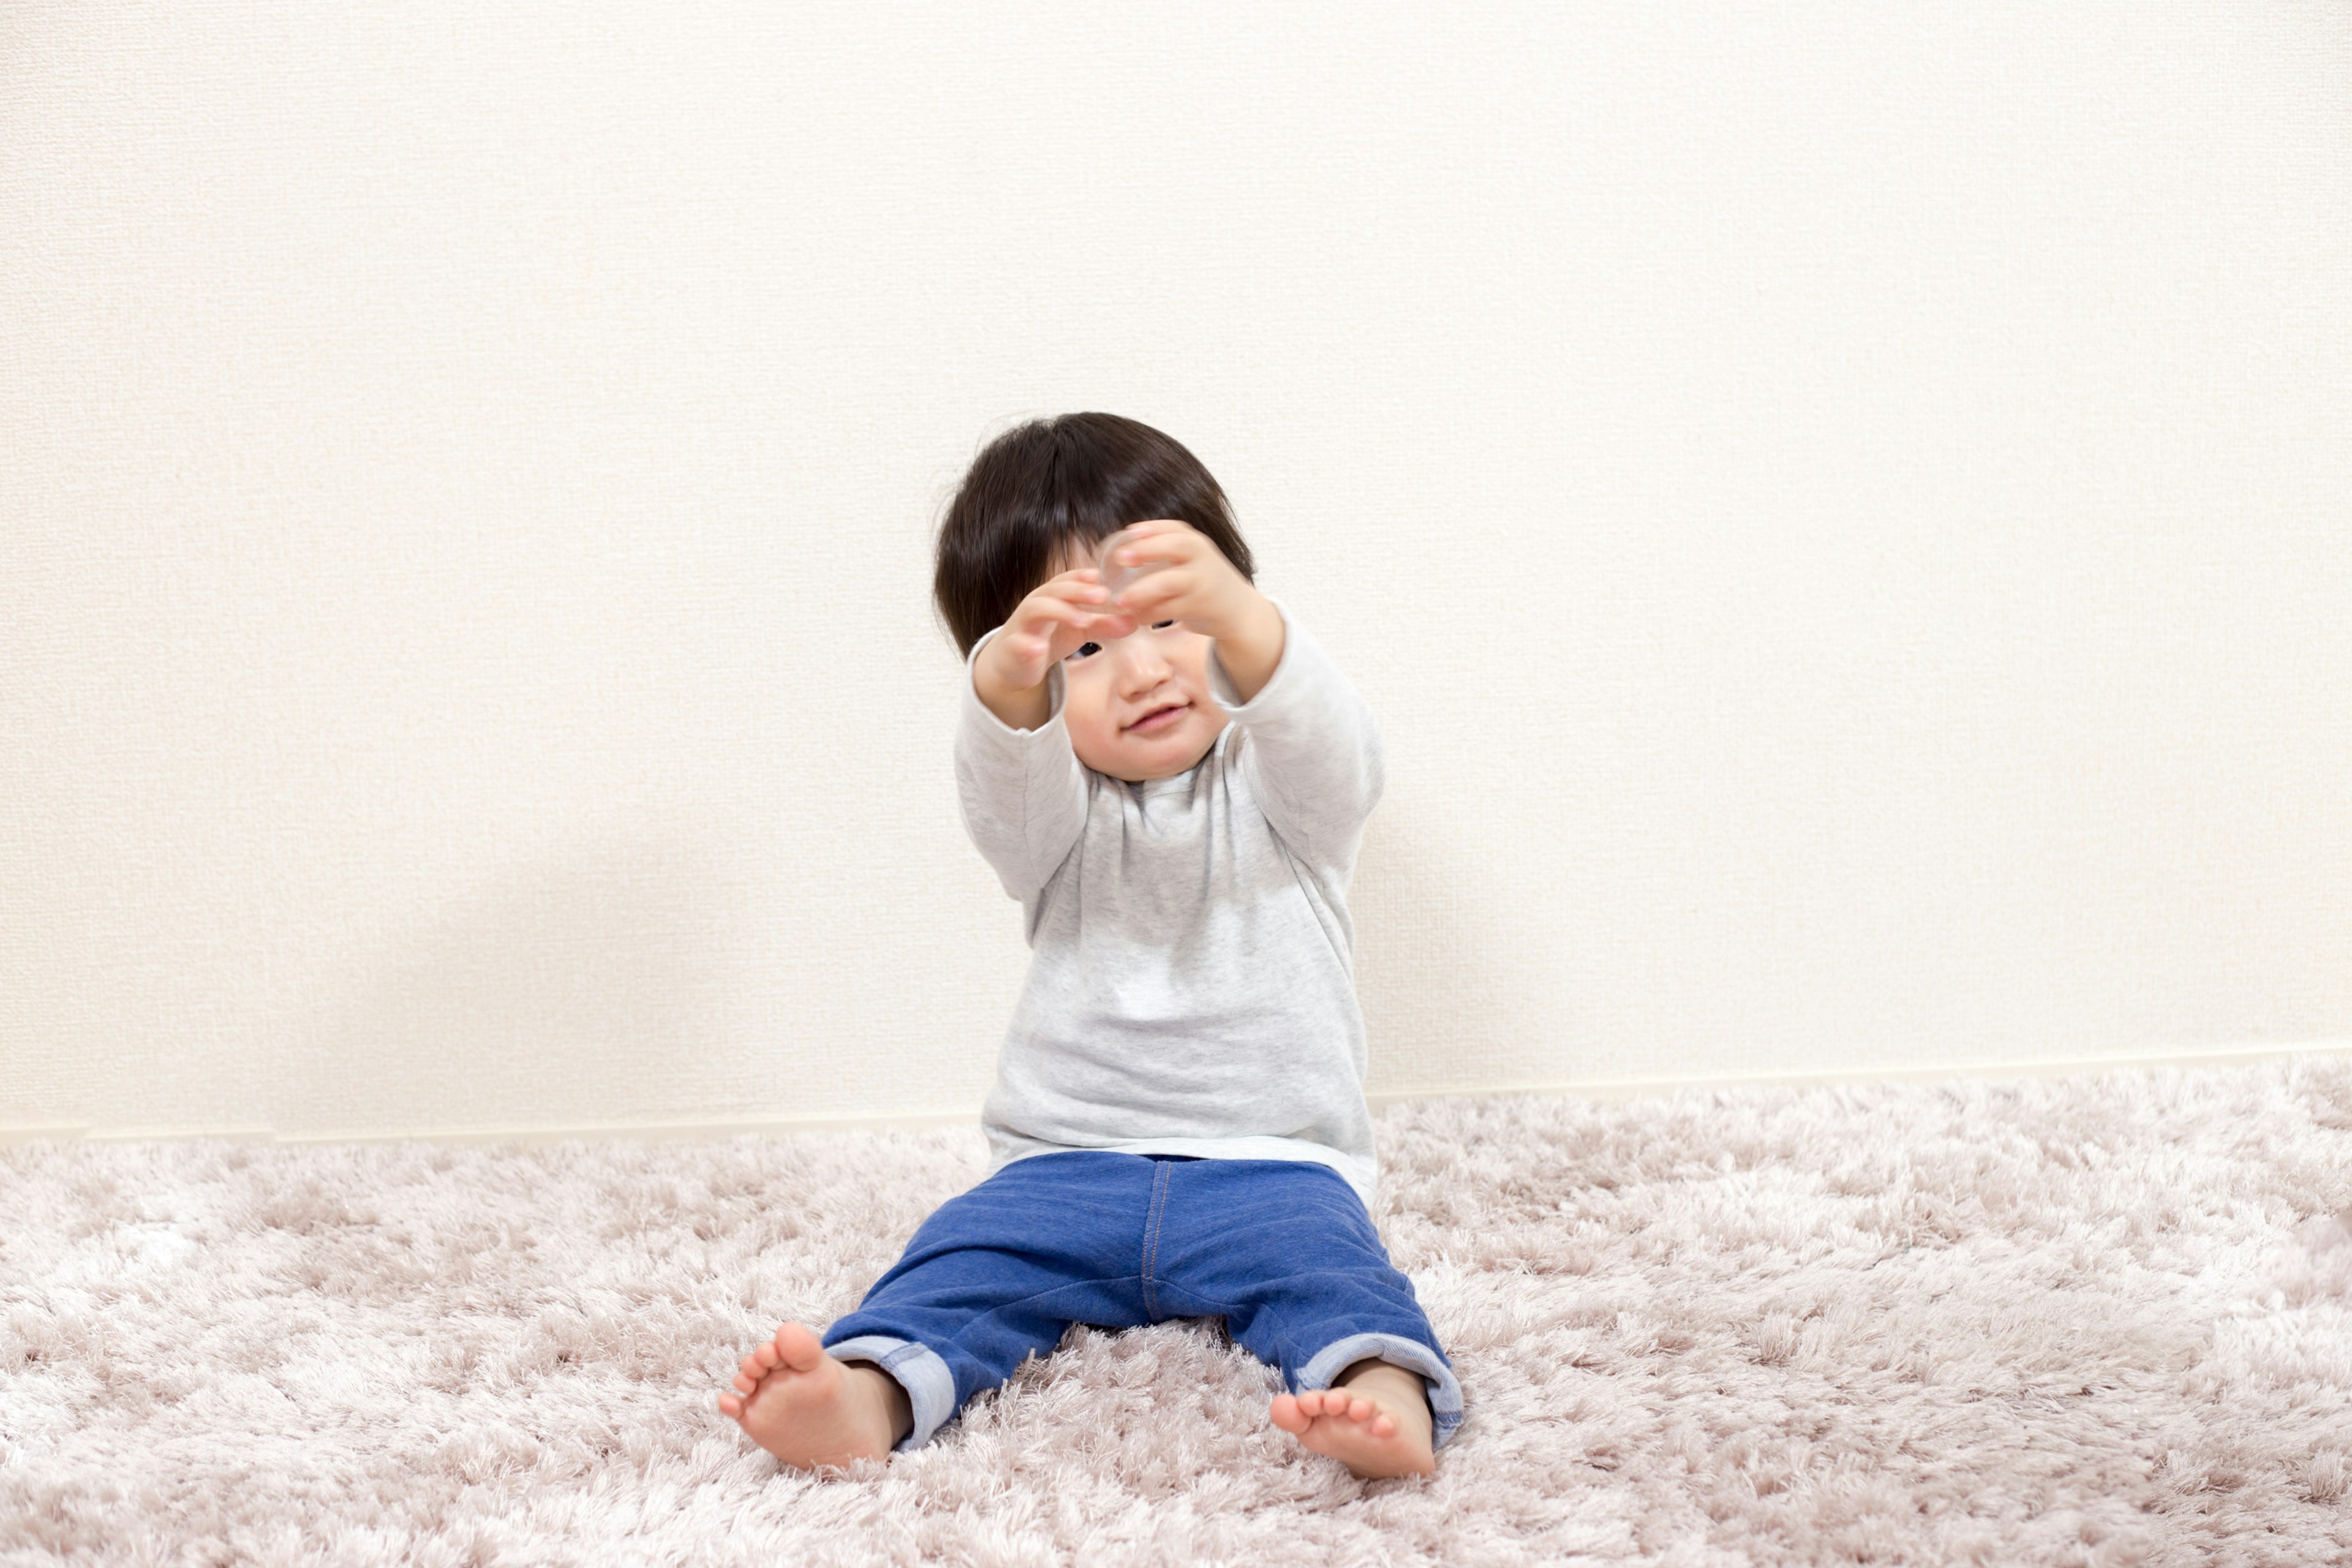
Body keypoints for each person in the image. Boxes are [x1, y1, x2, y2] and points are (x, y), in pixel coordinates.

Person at [718, 413, 1461, 1479]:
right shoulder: (1052, 824)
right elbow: (1005, 773)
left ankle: (1381, 1397)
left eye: (1172, 621)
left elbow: (1332, 739)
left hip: (1273, 1167)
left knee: (1338, 1281)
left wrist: (1249, 622)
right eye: (1087, 651)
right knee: (953, 1268)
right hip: (1062, 1166)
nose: (1144, 669)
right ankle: (866, 1395)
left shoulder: (1290, 795)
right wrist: (1007, 681)